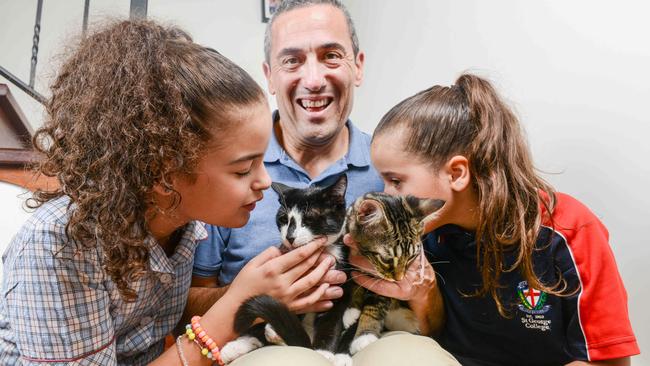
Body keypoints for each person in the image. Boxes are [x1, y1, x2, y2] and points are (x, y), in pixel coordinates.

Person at [0, 20, 337, 365]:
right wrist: (240, 305)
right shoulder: (59, 247)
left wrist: (259, 293)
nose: (266, 181)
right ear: (163, 174)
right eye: (242, 168)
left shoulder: (183, 224)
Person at [345, 73, 640, 365]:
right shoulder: (423, 237)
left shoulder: (569, 229)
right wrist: (423, 294)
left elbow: (610, 362)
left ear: (457, 174)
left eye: (395, 180)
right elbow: (433, 338)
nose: (384, 195)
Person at [189, 0, 383, 316]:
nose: (313, 80)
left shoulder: (391, 169)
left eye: (330, 56)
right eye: (292, 61)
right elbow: (183, 308)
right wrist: (250, 298)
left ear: (357, 66)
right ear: (269, 76)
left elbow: (430, 312)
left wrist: (422, 290)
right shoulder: (227, 168)